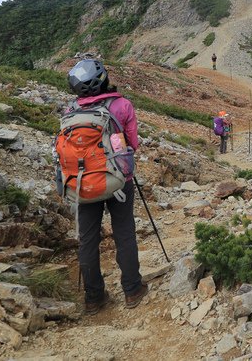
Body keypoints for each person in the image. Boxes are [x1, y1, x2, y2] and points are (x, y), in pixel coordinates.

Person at [65, 58, 147, 314]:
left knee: (87, 239)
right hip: (118, 181)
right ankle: (132, 290)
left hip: (83, 184)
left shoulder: (70, 111)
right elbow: (132, 143)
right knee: (124, 232)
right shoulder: (121, 105)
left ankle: (93, 298)